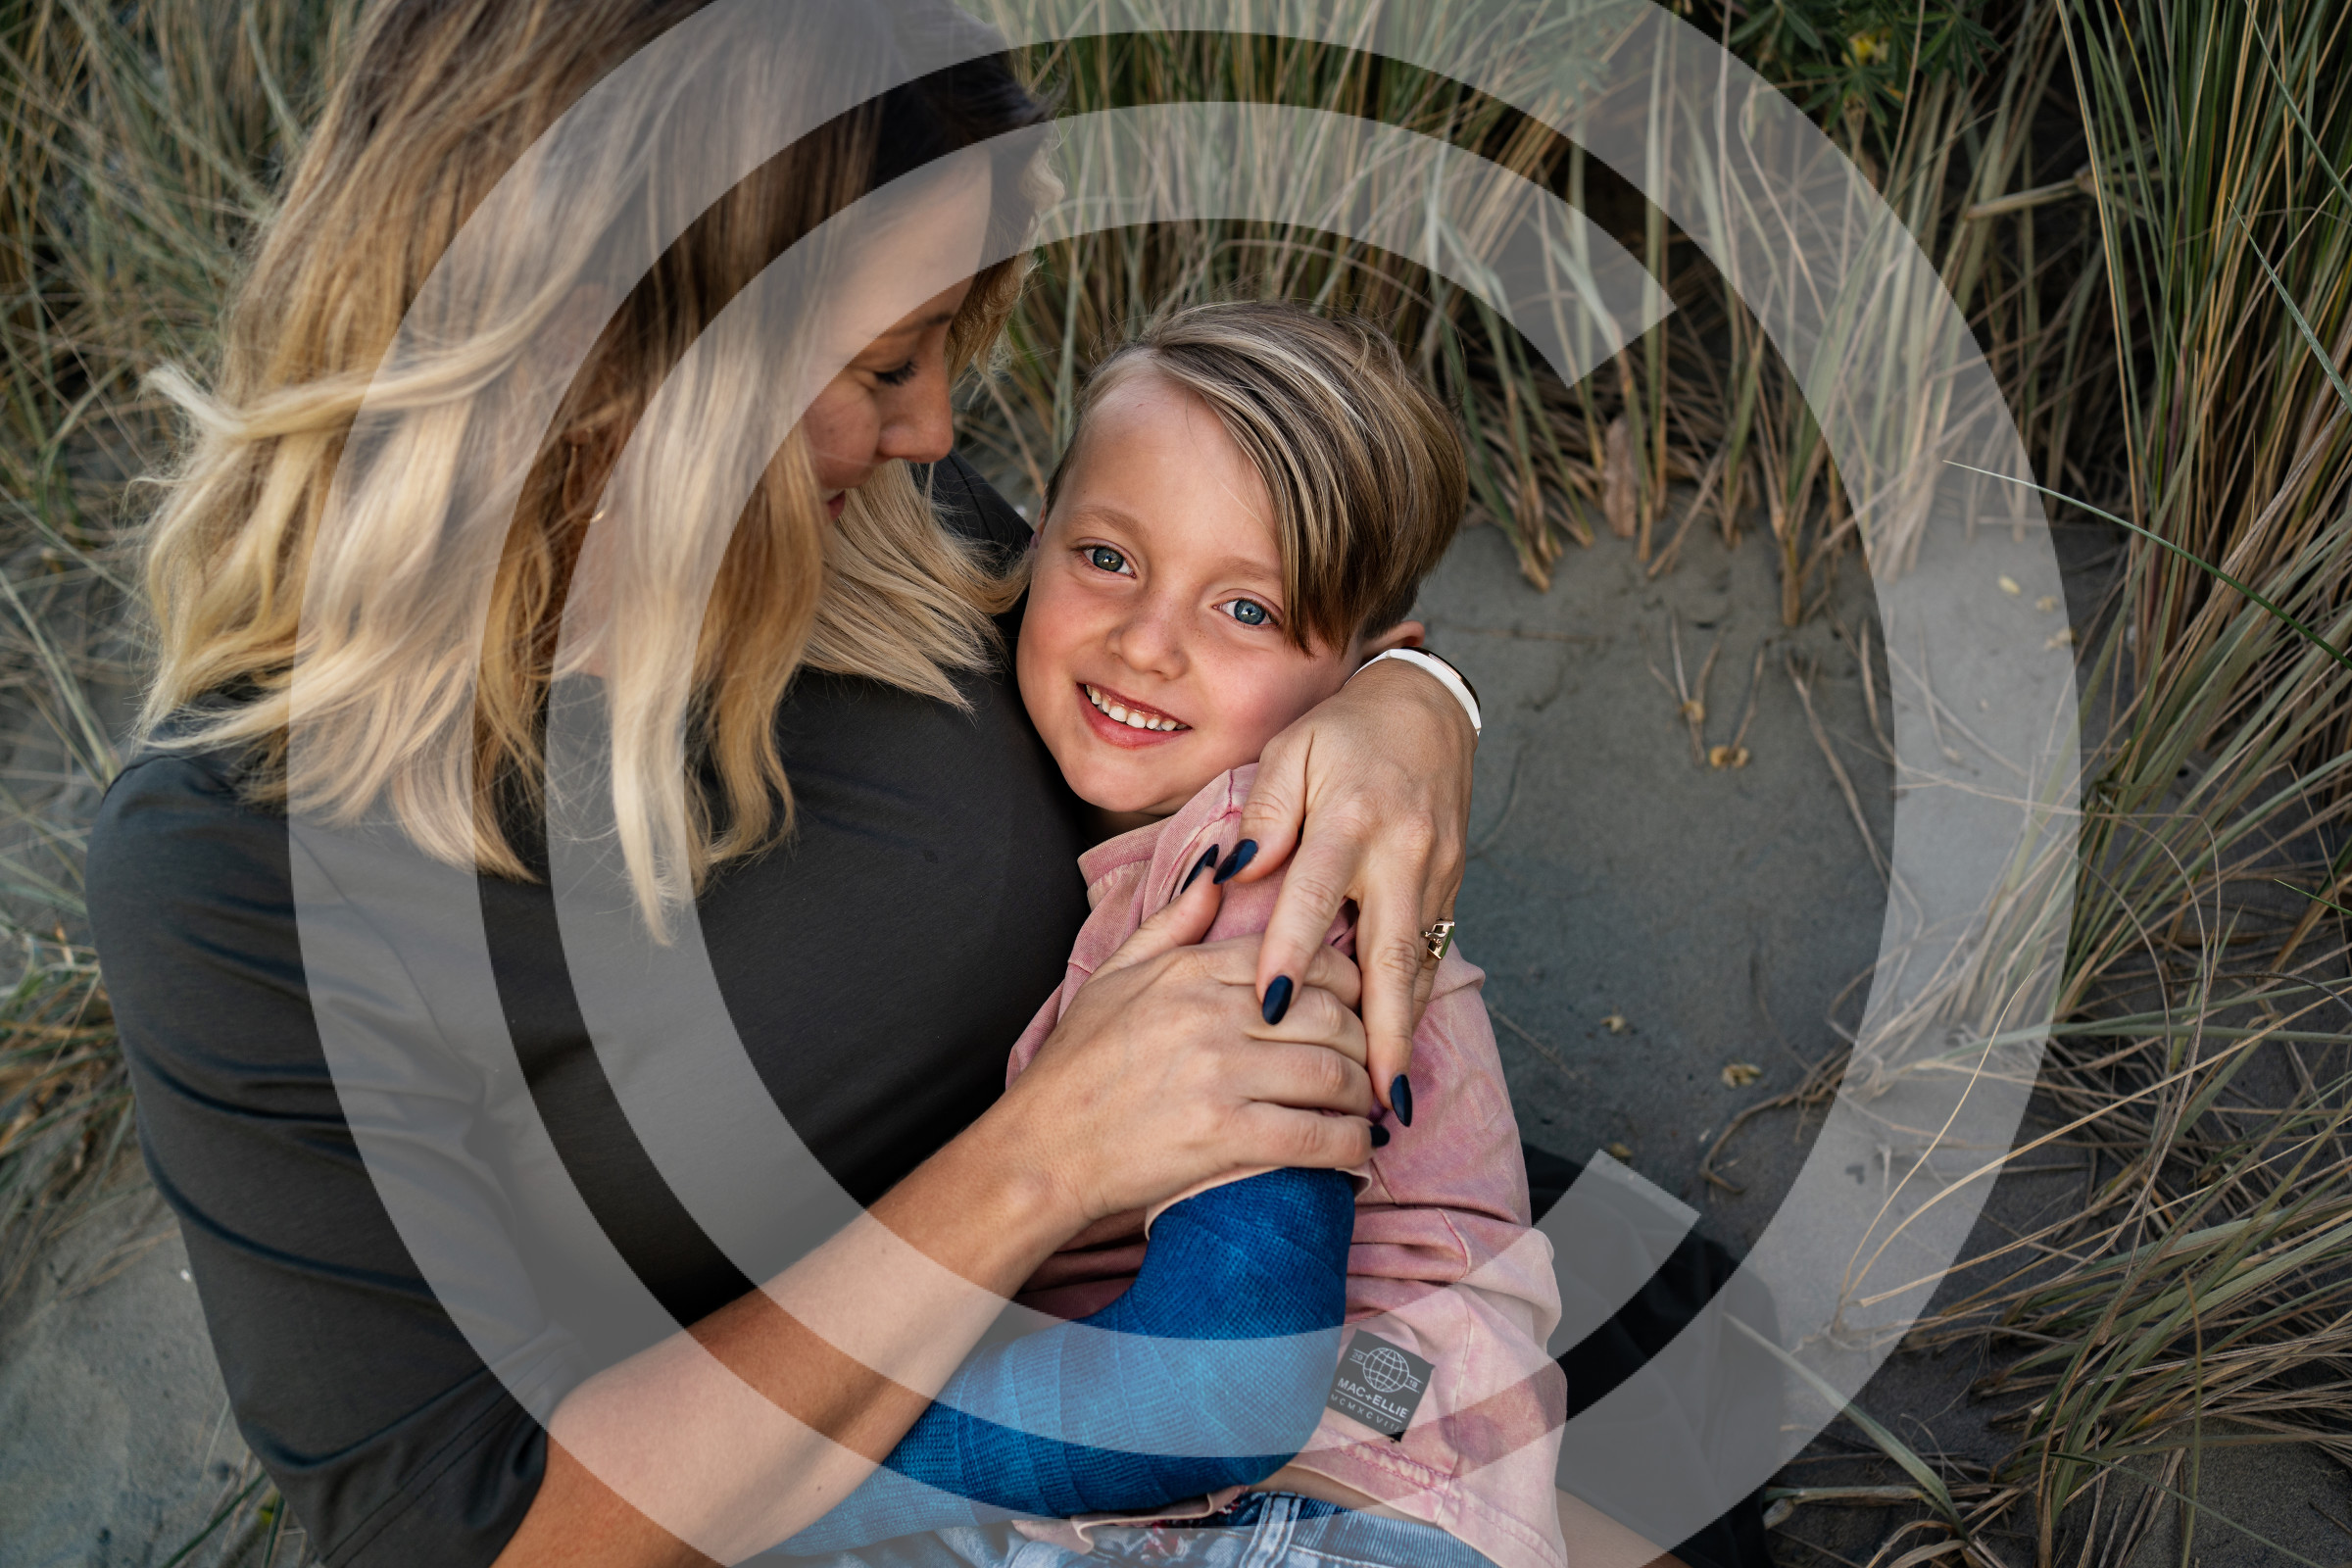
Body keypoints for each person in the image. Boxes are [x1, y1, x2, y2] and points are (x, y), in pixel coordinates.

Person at [84, 6, 1484, 1568]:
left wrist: (1412, 705)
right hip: (969, 1478)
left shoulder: (871, 520)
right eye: (885, 362)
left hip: (1332, 1293)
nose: (936, 427)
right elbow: (475, 1538)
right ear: (617, 355)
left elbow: (1190, 671)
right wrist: (1042, 1160)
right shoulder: (237, 874)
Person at [778, 304, 1565, 1568]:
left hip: (1320, 1501)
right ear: (1032, 539)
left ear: (1363, 675)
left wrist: (776, 1477)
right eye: (1108, 557)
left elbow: (1217, 1389)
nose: (1146, 644)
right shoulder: (1122, 812)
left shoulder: (1266, 869)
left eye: (1246, 610)